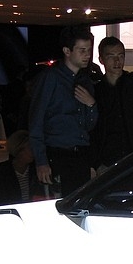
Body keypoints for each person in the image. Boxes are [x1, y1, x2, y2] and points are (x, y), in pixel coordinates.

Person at [28, 26, 98, 197]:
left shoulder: (84, 80)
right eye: (82, 50)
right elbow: (36, 121)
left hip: (80, 154)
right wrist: (41, 161)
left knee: (78, 202)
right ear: (67, 51)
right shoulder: (50, 78)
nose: (87, 55)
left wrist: (91, 105)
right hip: (58, 153)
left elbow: (89, 126)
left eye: (89, 50)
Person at [91, 36, 133, 171]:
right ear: (101, 60)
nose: (117, 61)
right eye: (111, 56)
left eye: (121, 56)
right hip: (108, 159)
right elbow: (93, 130)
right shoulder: (96, 91)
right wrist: (97, 163)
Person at [0, 129, 44, 203]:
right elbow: (1, 195)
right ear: (19, 150)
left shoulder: (35, 168)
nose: (34, 152)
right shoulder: (5, 169)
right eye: (30, 149)